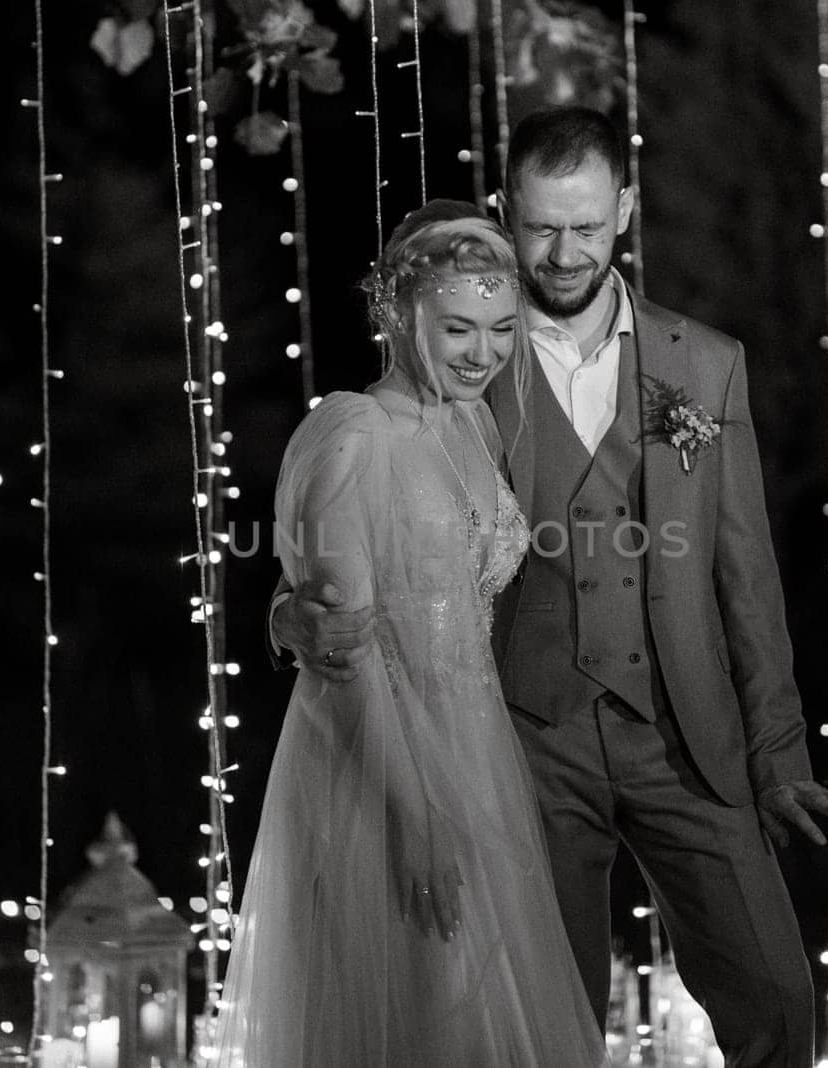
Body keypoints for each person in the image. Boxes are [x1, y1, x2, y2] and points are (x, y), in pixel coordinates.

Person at [274, 106, 828, 1067]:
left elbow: (744, 574)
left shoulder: (705, 364)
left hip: (685, 732)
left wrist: (779, 749)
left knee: (778, 996)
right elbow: (373, 531)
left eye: (586, 225)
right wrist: (295, 610)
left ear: (625, 210)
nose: (564, 249)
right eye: (541, 226)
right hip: (525, 738)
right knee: (551, 1021)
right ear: (509, 212)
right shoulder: (466, 357)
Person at [215, 206, 607, 1066]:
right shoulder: (354, 432)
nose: (483, 353)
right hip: (378, 762)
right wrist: (416, 815)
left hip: (477, 754)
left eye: (503, 329)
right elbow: (345, 644)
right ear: (400, 317)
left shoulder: (469, 421)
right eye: (458, 328)